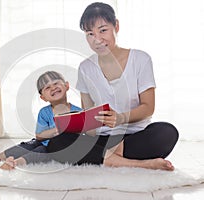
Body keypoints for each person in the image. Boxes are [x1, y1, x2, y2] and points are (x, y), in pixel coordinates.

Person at [47, 2, 179, 171]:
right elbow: (87, 114)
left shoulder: (140, 59)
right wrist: (75, 124)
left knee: (167, 133)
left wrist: (121, 118)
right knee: (57, 143)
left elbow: (148, 108)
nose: (97, 40)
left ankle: (104, 157)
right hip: (103, 137)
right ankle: (137, 164)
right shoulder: (85, 68)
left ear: (116, 26)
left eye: (103, 30)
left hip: (135, 136)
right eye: (90, 34)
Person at [0, 71, 81, 170]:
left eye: (56, 83)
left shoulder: (78, 112)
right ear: (43, 97)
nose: (53, 88)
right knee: (25, 146)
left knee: (40, 152)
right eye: (47, 87)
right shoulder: (44, 112)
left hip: (54, 148)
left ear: (67, 86)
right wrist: (57, 129)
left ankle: (14, 163)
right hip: (41, 141)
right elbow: (39, 136)